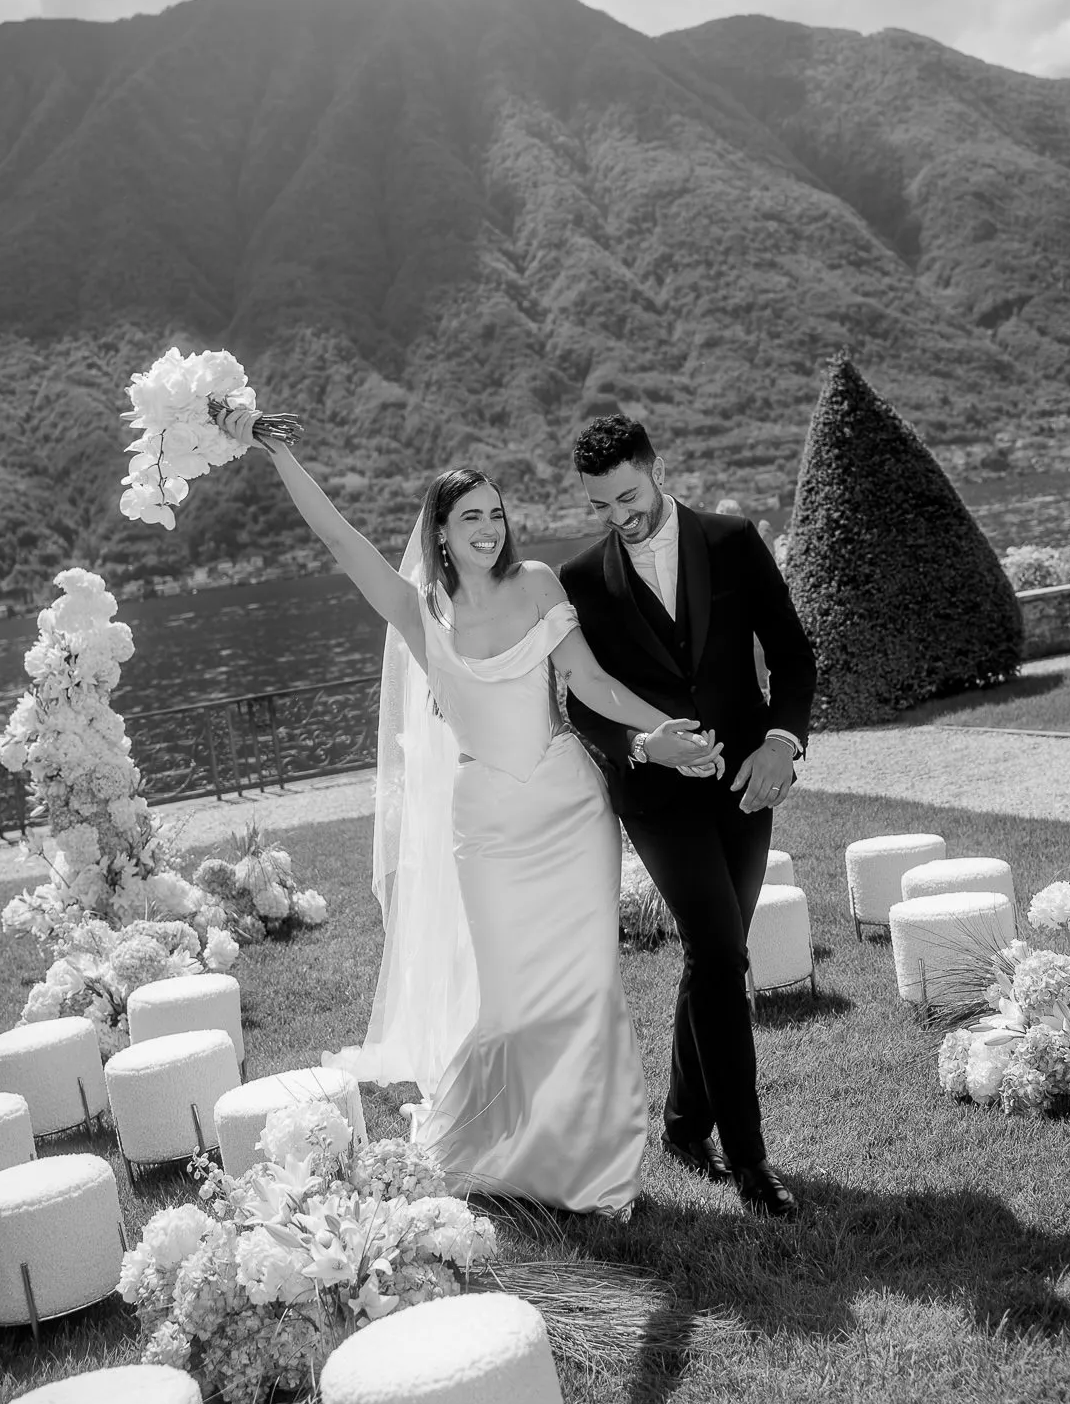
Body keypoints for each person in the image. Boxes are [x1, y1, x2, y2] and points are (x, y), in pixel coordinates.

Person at [215, 405, 722, 1215]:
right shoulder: (422, 614)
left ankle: (595, 1172)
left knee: (589, 989)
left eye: (496, 514)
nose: (489, 529)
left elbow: (587, 683)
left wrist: (654, 733)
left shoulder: (539, 586)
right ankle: (503, 1147)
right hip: (486, 826)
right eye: (469, 518)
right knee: (514, 1003)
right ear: (439, 534)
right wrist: (273, 454)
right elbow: (342, 542)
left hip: (569, 810)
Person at [560, 415, 818, 1219]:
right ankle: (750, 1162)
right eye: (602, 505)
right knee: (717, 950)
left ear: (657, 467)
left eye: (628, 496)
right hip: (657, 798)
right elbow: (578, 701)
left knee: (715, 953)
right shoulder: (579, 578)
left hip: (746, 780)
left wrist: (782, 741)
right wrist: (643, 744)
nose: (619, 517)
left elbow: (792, 651)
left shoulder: (734, 540)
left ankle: (680, 1123)